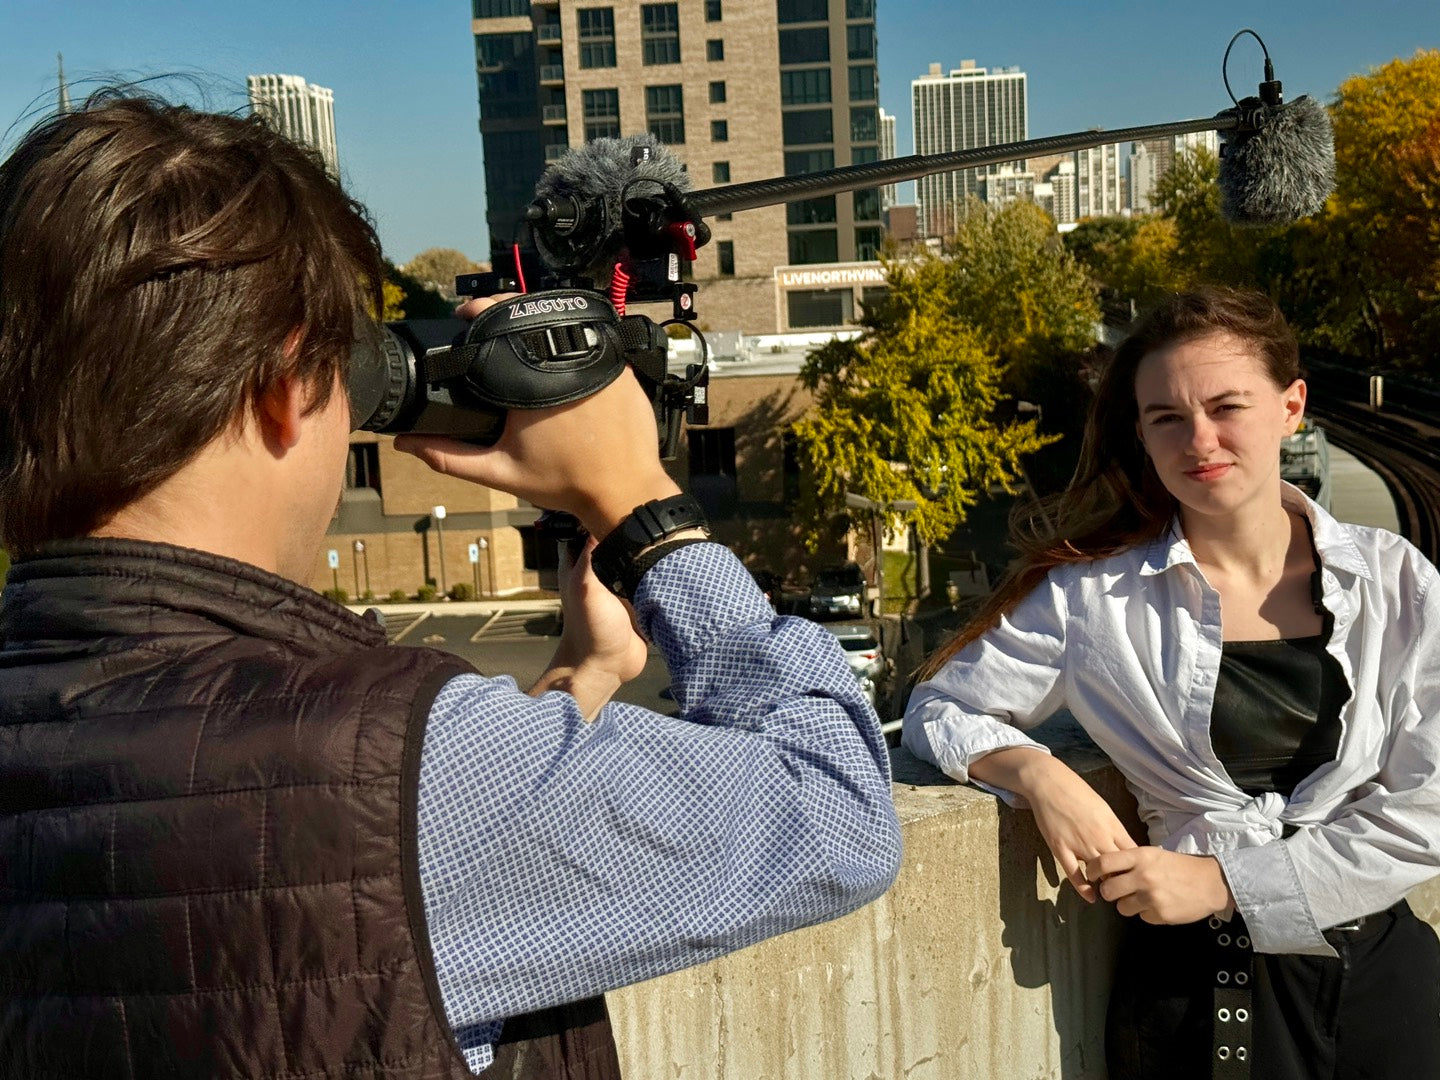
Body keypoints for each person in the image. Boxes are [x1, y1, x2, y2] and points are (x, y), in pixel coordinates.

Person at [0, 93, 901, 1079]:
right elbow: (836, 813)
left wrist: (579, 684)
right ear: (281, 388)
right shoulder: (403, 769)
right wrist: (643, 501)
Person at [902, 287, 1440, 1079]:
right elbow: (940, 705)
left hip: (1378, 980)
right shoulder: (1094, 596)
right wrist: (1037, 773)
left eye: (1227, 407)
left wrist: (1224, 881)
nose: (1201, 440)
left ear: (1292, 407)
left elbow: (1428, 808)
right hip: (1198, 995)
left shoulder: (1395, 580)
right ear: (1143, 435)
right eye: (1167, 419)